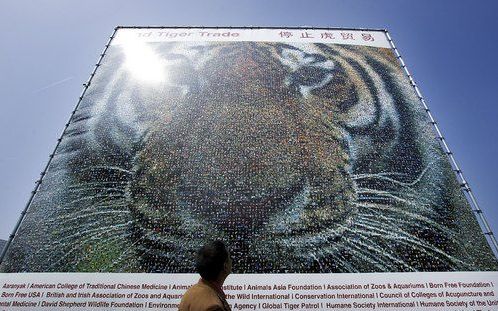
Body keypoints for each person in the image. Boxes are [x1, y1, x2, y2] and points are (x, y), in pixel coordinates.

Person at [178, 240, 232, 311]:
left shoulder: (190, 292)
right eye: (230, 258)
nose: (231, 261)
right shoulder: (213, 307)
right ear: (225, 266)